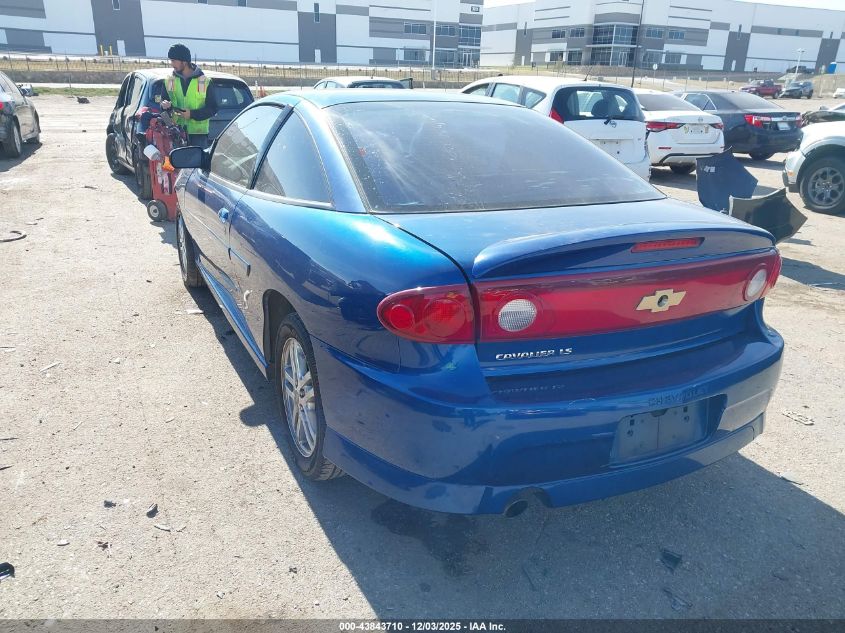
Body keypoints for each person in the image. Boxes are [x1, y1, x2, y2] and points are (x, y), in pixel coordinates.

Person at [157, 43, 218, 148]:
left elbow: (213, 108)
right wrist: (165, 106)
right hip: (176, 134)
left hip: (198, 136)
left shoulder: (204, 81)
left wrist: (192, 114)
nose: (171, 64)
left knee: (197, 159)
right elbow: (163, 108)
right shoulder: (169, 81)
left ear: (184, 61)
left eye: (173, 61)